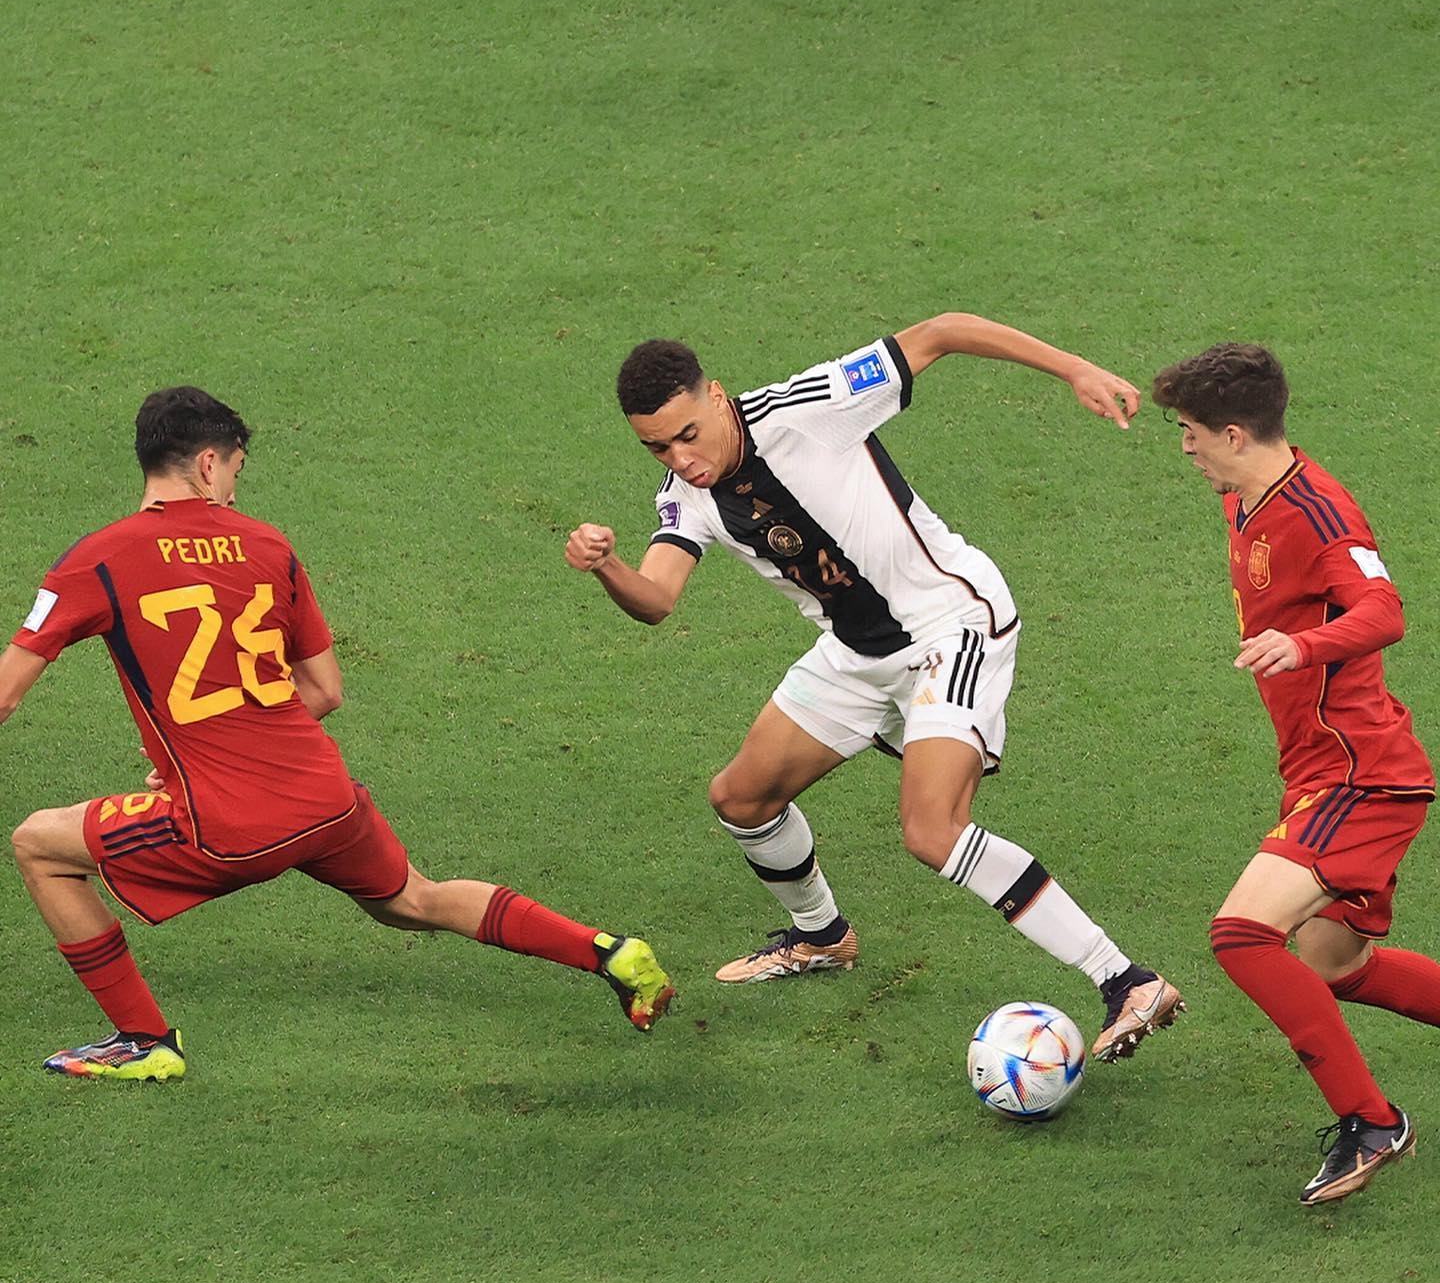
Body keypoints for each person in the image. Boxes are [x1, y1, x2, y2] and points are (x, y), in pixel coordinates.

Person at [2, 387, 675, 1081]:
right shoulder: (269, 545)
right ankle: (609, 952)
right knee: (415, 898)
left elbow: (6, 692)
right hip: (326, 801)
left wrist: (209, 757)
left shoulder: (98, 559)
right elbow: (324, 689)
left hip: (226, 823)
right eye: (235, 470)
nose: (233, 489)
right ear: (207, 463)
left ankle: (145, 1042)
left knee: (38, 845)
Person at [566, 312, 1183, 1061]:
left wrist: (1073, 368)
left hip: (950, 624)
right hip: (856, 653)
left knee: (932, 830)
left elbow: (944, 331)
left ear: (716, 396)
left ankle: (1126, 980)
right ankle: (822, 936)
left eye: (687, 435)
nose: (681, 459)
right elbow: (657, 599)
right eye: (657, 447)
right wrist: (608, 567)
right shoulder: (685, 496)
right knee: (741, 798)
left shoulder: (811, 406)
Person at [1153, 343, 1435, 1204]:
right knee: (1335, 962)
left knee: (1242, 934)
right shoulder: (1244, 496)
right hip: (1320, 771)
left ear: (1235, 434)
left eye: (1192, 432)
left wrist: (1303, 644)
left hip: (1361, 775)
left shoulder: (1319, 512)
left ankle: (1372, 1122)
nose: (1185, 447)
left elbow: (1385, 610)